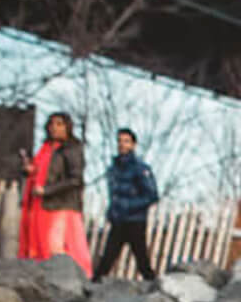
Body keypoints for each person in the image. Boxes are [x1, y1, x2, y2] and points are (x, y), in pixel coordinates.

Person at [19, 112, 92, 276]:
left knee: (56, 247)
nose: (54, 128)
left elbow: (75, 179)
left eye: (59, 124)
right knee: (40, 245)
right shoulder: (46, 149)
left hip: (61, 205)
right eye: (51, 124)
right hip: (41, 205)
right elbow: (42, 172)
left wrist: (47, 190)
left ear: (68, 127)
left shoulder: (71, 149)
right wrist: (30, 170)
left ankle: (68, 280)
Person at [94, 128, 159, 280]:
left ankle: (154, 287)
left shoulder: (140, 168)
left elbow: (152, 195)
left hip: (135, 221)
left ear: (133, 145)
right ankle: (93, 286)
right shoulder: (114, 169)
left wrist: (128, 206)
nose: (122, 144)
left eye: (126, 141)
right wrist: (112, 211)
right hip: (118, 220)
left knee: (142, 259)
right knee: (108, 257)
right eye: (119, 141)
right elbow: (114, 194)